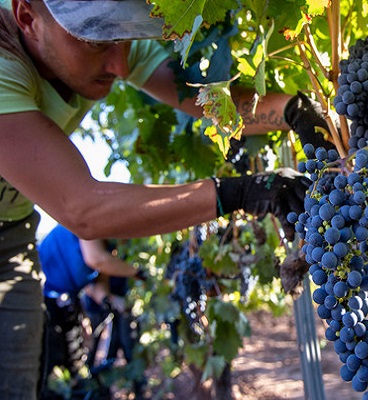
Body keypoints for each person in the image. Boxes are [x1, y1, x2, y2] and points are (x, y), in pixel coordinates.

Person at [0, 1, 330, 398]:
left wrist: (292, 110)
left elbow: (202, 103)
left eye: (122, 41)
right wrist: (239, 192)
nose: (120, 67)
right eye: (95, 44)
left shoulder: (102, 32)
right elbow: (82, 208)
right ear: (26, 18)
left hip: (13, 233)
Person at [37, 224, 145, 399]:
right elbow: (96, 260)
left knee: (73, 358)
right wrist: (136, 272)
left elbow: (97, 284)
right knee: (49, 359)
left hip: (65, 302)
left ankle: (73, 390)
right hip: (43, 297)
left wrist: (109, 301)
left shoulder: (106, 244)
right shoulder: (91, 222)